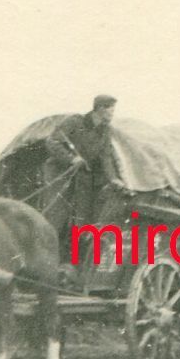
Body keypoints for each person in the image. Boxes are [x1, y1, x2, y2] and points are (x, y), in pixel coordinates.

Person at [43, 95, 123, 253]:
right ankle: (46, 252)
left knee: (82, 221)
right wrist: (71, 158)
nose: (112, 115)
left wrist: (114, 179)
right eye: (110, 111)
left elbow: (106, 157)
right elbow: (53, 141)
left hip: (83, 178)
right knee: (56, 215)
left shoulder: (105, 131)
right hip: (61, 173)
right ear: (100, 109)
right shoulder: (74, 122)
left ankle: (71, 257)